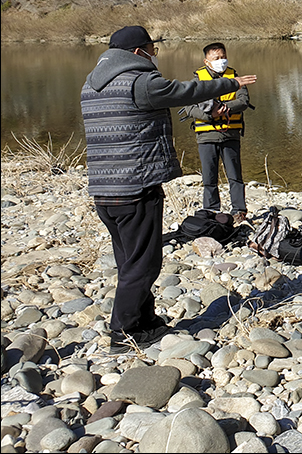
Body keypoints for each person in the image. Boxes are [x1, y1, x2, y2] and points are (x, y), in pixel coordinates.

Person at [81, 26, 256, 352]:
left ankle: (145, 321)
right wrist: (231, 83)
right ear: (138, 52)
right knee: (144, 264)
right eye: (152, 49)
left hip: (103, 189)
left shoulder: (90, 85)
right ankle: (124, 332)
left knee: (129, 260)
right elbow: (185, 92)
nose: (154, 55)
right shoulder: (140, 82)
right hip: (136, 187)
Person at [179, 42, 252, 224]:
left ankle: (239, 211)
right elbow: (189, 107)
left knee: (235, 175)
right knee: (209, 177)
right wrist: (210, 114)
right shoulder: (197, 80)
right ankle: (211, 210)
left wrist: (225, 108)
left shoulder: (235, 78)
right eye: (216, 58)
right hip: (206, 136)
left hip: (230, 134)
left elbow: (243, 101)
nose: (221, 61)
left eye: (223, 57)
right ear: (206, 61)